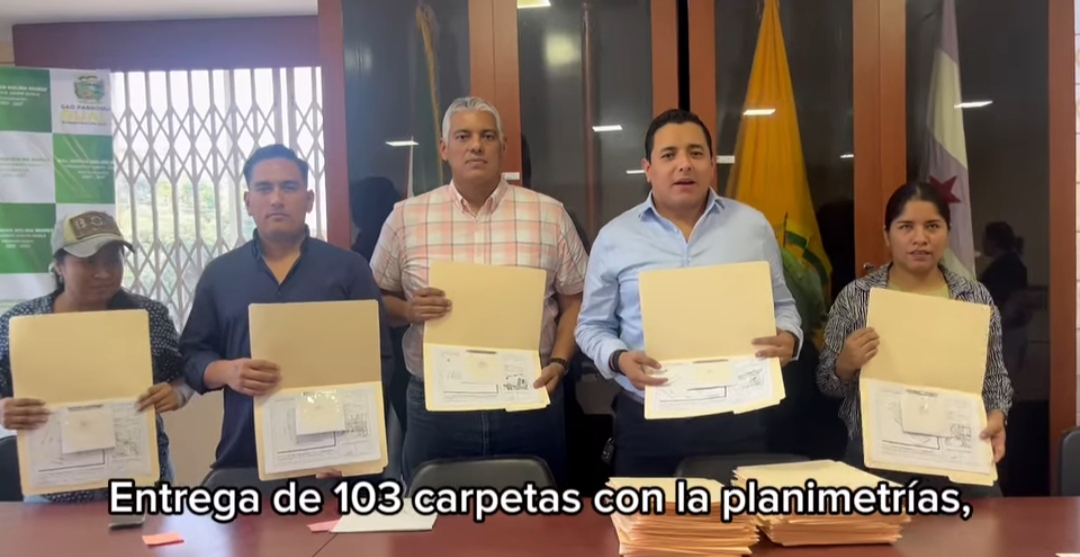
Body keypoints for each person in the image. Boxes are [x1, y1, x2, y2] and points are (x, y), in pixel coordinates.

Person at [369, 97, 588, 487]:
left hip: (529, 397)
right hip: (437, 404)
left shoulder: (549, 215)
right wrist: (408, 311)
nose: (476, 146)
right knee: (435, 514)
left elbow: (576, 300)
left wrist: (559, 361)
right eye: (463, 136)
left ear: (503, 147)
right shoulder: (406, 218)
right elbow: (373, 301)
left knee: (537, 512)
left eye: (487, 136)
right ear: (444, 148)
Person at [574, 108, 803, 477]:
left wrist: (789, 335)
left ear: (712, 163)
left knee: (736, 515)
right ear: (648, 168)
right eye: (669, 155)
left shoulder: (751, 227)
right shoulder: (615, 237)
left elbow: (784, 306)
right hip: (647, 423)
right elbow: (590, 326)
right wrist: (618, 358)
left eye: (696, 153)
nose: (684, 164)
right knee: (649, 517)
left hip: (738, 419)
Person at [180, 144, 394, 477]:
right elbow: (193, 355)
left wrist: (352, 446)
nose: (277, 199)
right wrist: (227, 371)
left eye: (289, 187)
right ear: (248, 201)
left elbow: (379, 360)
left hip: (335, 456)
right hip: (246, 457)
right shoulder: (220, 275)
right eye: (264, 188)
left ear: (309, 200)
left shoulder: (349, 270)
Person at [816, 182, 1013, 498]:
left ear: (947, 232)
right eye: (906, 227)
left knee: (987, 526)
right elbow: (827, 384)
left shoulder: (974, 296)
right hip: (877, 456)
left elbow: (994, 378)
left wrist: (997, 415)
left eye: (932, 226)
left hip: (959, 453)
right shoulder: (856, 298)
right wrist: (844, 365)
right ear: (887, 235)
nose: (920, 238)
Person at [0, 211, 192, 502]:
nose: (103, 273)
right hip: (52, 488)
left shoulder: (149, 315)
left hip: (139, 480)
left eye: (113, 260)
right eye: (88, 262)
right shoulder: (23, 323)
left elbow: (184, 374)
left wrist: (177, 393)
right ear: (59, 266)